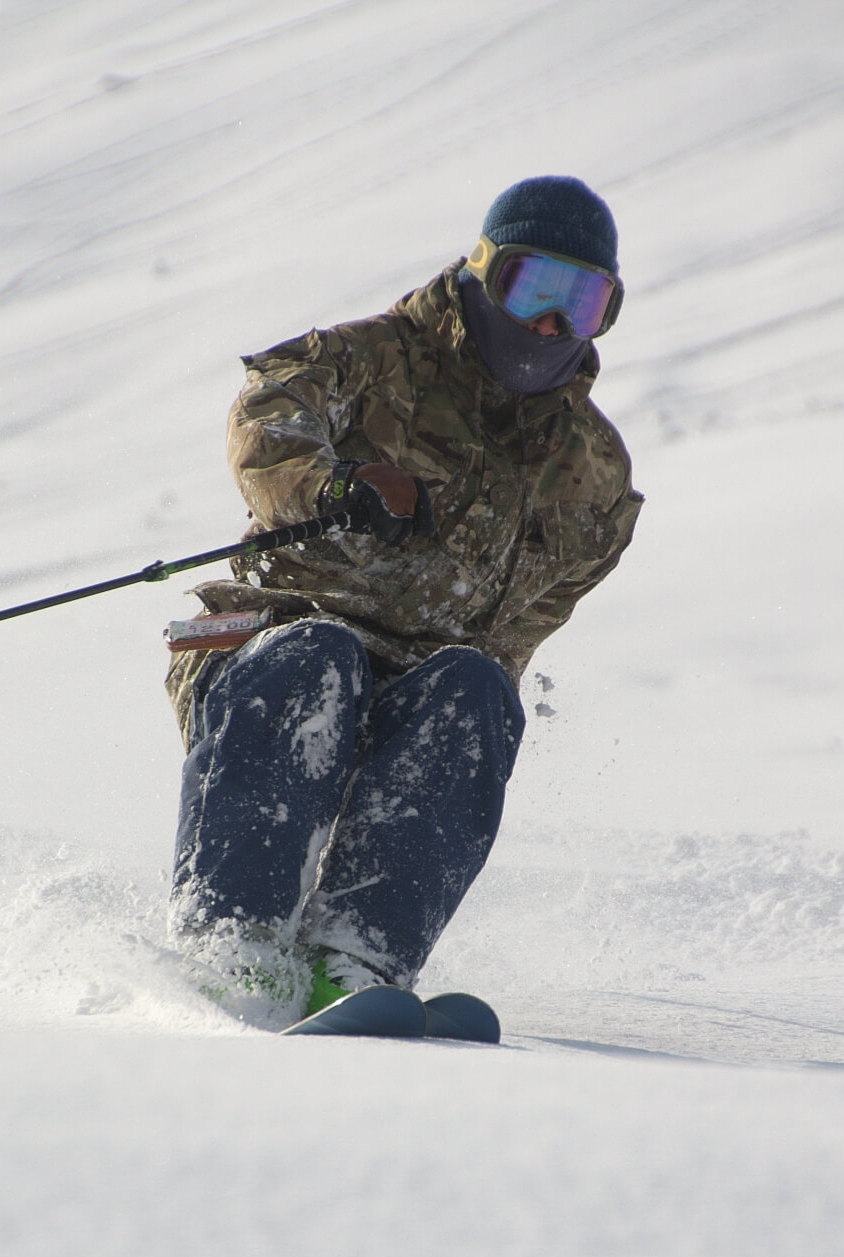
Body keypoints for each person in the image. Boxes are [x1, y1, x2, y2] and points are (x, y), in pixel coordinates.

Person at [164, 176, 644, 1022]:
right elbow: (266, 421)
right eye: (534, 289)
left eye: (585, 302)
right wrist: (329, 485)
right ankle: (229, 951)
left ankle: (352, 966)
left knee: (476, 693)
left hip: (422, 680)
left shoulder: (594, 475)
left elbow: (524, 627)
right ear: (483, 274)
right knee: (322, 658)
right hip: (277, 648)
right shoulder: (368, 362)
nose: (551, 325)